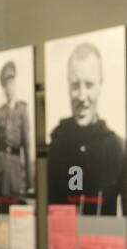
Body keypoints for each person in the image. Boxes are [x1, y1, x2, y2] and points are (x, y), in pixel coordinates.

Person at [48, 42, 126, 215]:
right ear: (68, 87)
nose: (82, 96)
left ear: (100, 86)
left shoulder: (118, 149)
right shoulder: (55, 147)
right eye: (75, 85)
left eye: (89, 85)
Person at [0, 60, 31, 201]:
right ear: (4, 88)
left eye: (11, 83)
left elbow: (27, 147)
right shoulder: (0, 112)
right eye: (6, 85)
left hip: (15, 168)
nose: (9, 88)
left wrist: (29, 182)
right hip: (1, 169)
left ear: (15, 85)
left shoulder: (22, 110)